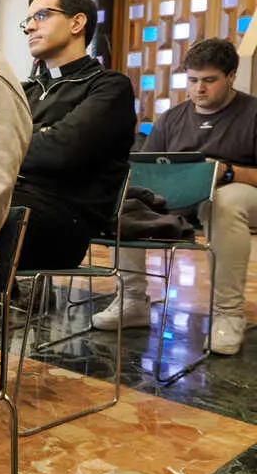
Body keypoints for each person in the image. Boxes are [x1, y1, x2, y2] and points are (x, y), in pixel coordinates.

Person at [93, 38, 257, 356]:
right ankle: (132, 300)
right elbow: (149, 167)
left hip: (240, 195)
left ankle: (228, 314)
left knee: (225, 201)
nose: (199, 89)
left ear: (232, 76)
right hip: (183, 195)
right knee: (129, 198)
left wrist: (227, 172)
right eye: (193, 80)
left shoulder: (252, 114)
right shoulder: (172, 118)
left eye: (210, 80)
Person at [14, 0, 135, 269]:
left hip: (64, 221)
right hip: (11, 200)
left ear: (77, 23)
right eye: (28, 20)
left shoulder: (109, 87)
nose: (30, 27)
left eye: (42, 16)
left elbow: (61, 151)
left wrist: (11, 143)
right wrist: (40, 136)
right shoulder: (24, 91)